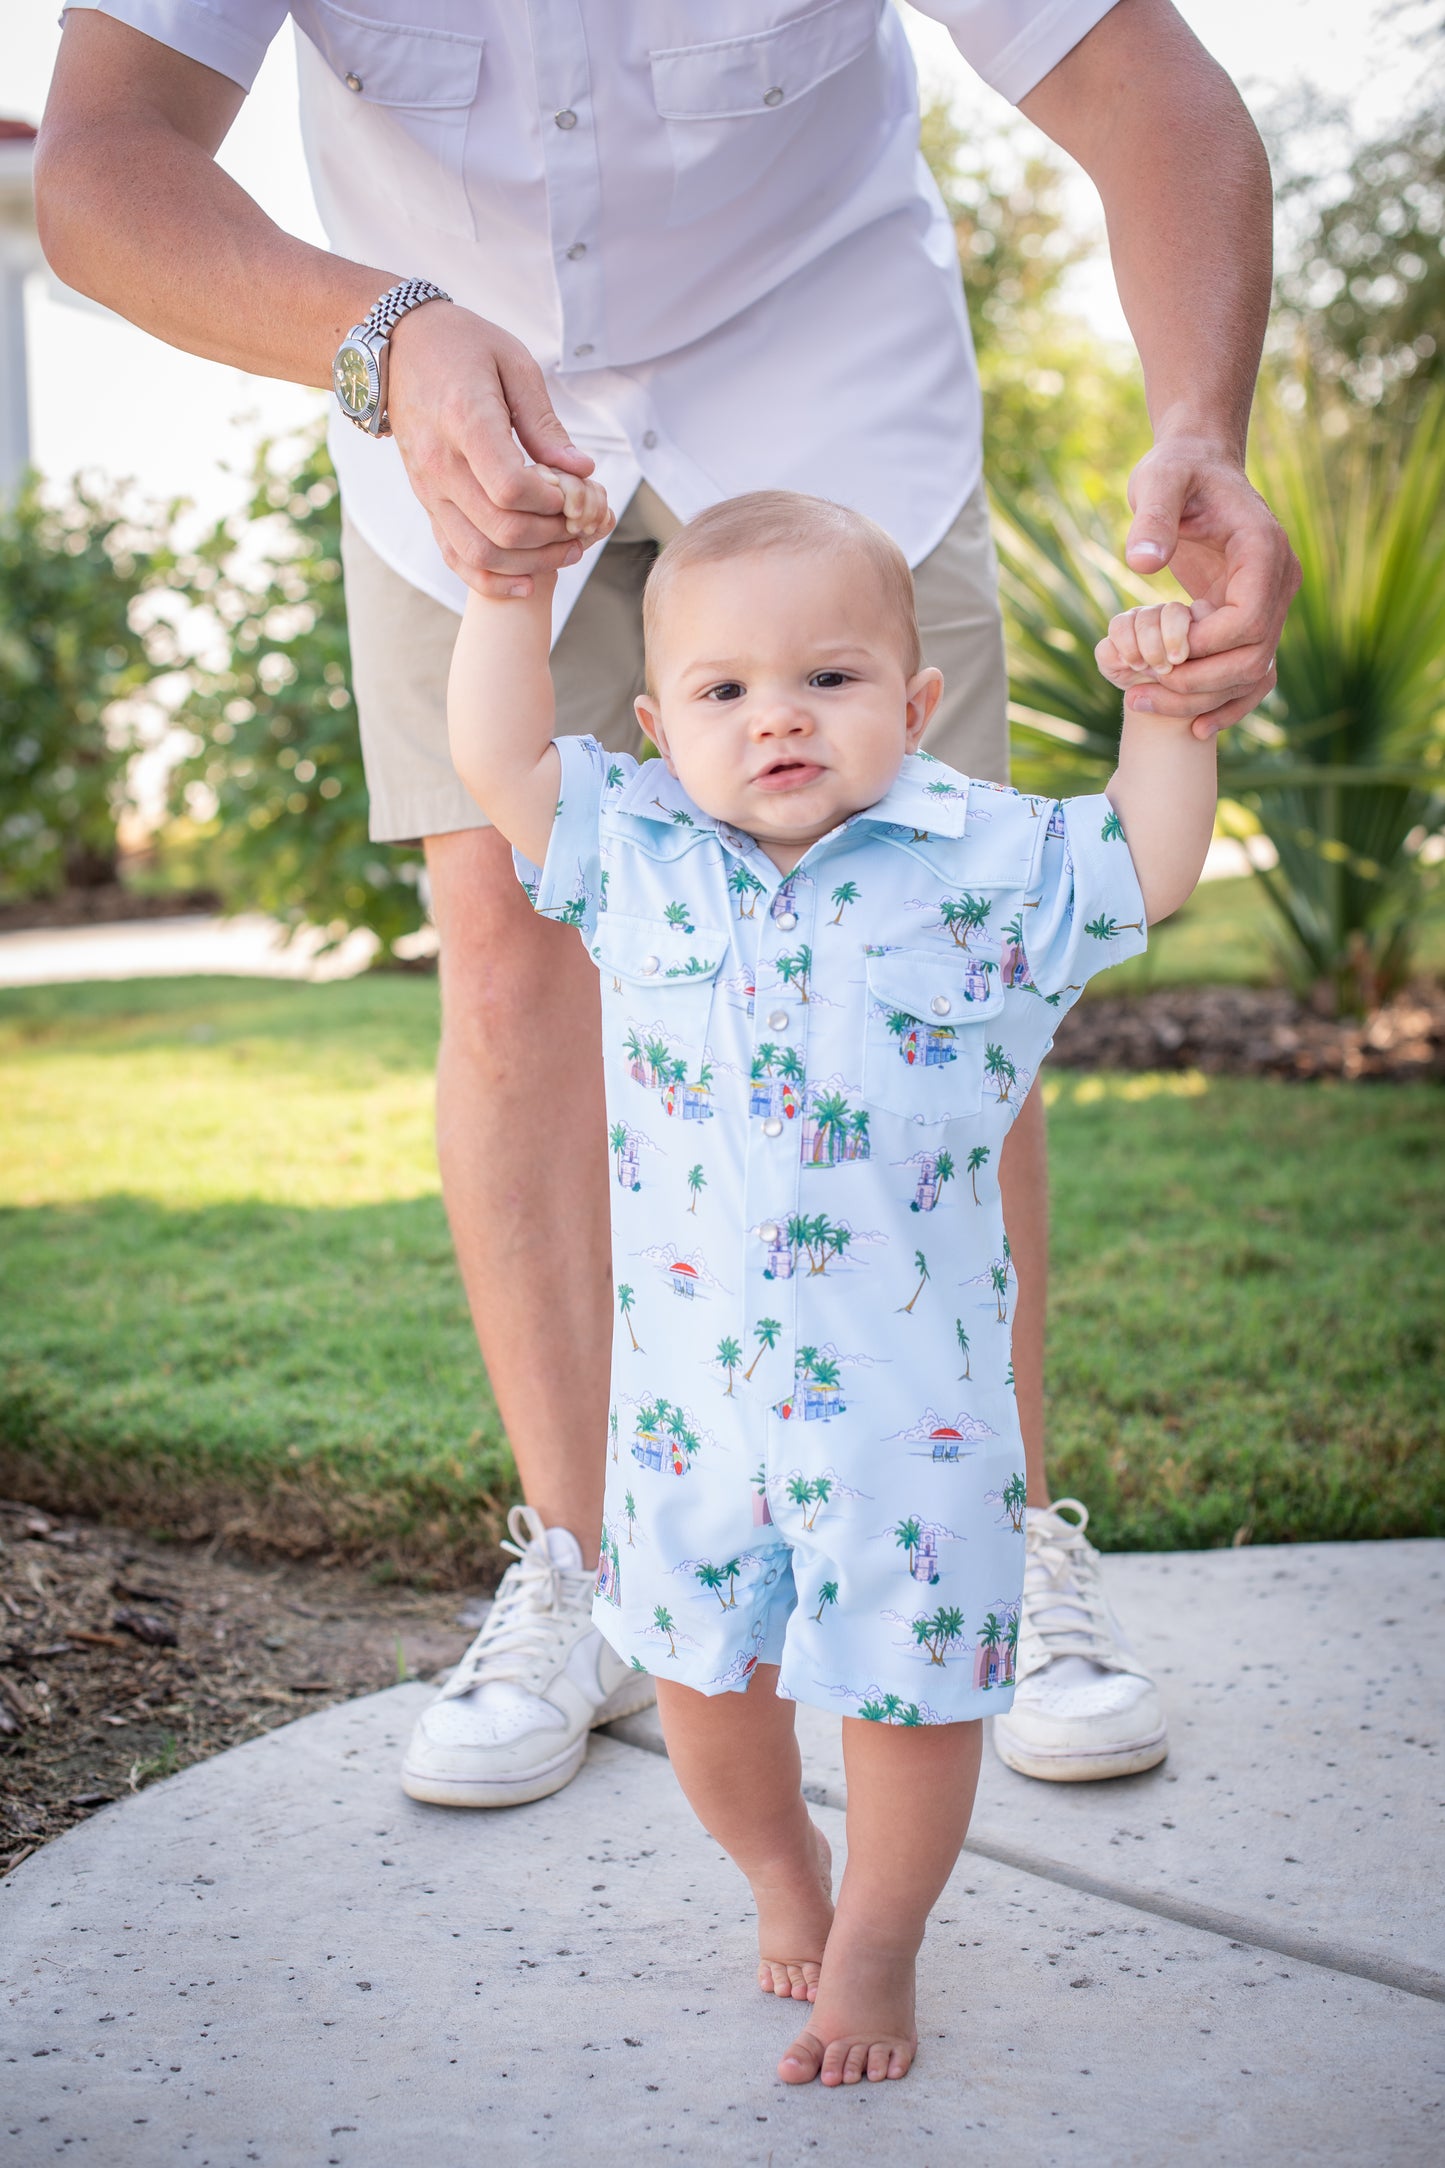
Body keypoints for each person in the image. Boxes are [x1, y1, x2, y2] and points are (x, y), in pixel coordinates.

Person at [36, 0, 1298, 1807]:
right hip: (446, 414)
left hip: (827, 377)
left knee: (934, 951)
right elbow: (98, 163)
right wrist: (375, 335)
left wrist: (1199, 421)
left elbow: (1145, 88)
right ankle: (591, 1572)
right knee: (505, 952)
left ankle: (985, 1541)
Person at [445, 475, 1218, 2084]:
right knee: (705, 1691)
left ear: (916, 701)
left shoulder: (981, 859)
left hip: (910, 1413)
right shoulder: (634, 852)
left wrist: (1167, 713)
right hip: (691, 1420)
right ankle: (777, 1873)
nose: (776, 720)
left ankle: (877, 1942)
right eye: (725, 692)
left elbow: (1142, 869)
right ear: (659, 725)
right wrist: (509, 600)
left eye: (829, 678)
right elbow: (497, 760)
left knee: (912, 1695)